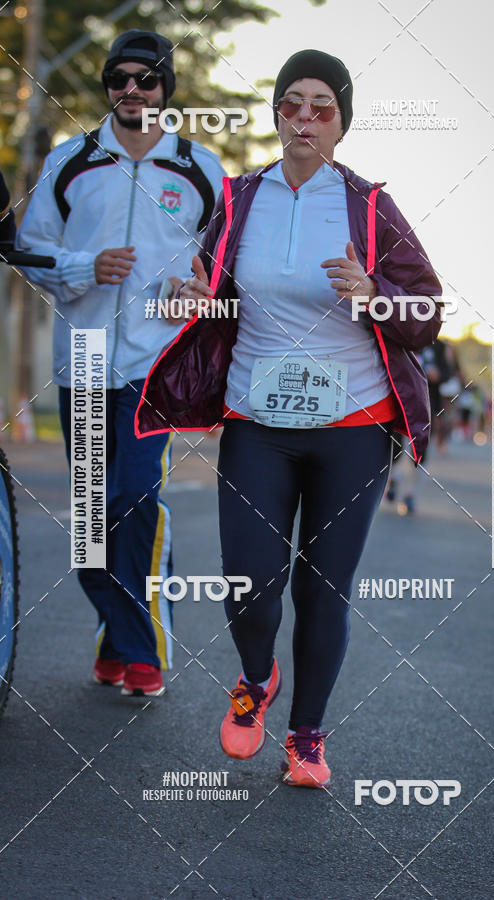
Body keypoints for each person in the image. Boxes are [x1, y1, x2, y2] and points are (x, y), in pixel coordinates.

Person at [136, 49, 442, 784]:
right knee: (249, 581)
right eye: (292, 104)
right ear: (277, 114)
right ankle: (254, 679)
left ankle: (307, 737)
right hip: (257, 420)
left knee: (322, 589)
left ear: (341, 123)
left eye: (322, 107)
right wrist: (190, 295)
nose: (305, 118)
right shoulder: (240, 199)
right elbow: (209, 287)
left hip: (354, 427)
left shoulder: (369, 206)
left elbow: (426, 312)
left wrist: (374, 295)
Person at [17, 30, 226, 696]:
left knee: (137, 497)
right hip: (81, 358)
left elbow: (224, 264)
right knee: (87, 520)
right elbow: (29, 250)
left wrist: (204, 294)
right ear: (107, 87)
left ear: (167, 90)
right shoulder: (70, 162)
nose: (131, 90)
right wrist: (86, 267)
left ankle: (140, 650)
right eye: (119, 79)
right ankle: (117, 630)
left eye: (147, 79)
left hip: (152, 363)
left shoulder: (200, 169)